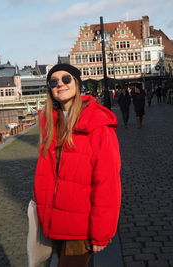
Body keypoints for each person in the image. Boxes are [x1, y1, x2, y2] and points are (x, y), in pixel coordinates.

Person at [33, 63, 121, 267]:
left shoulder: (97, 123)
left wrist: (101, 232)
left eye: (66, 79)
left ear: (77, 84)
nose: (60, 84)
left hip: (81, 229)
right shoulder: (50, 124)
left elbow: (108, 182)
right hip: (54, 224)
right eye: (53, 81)